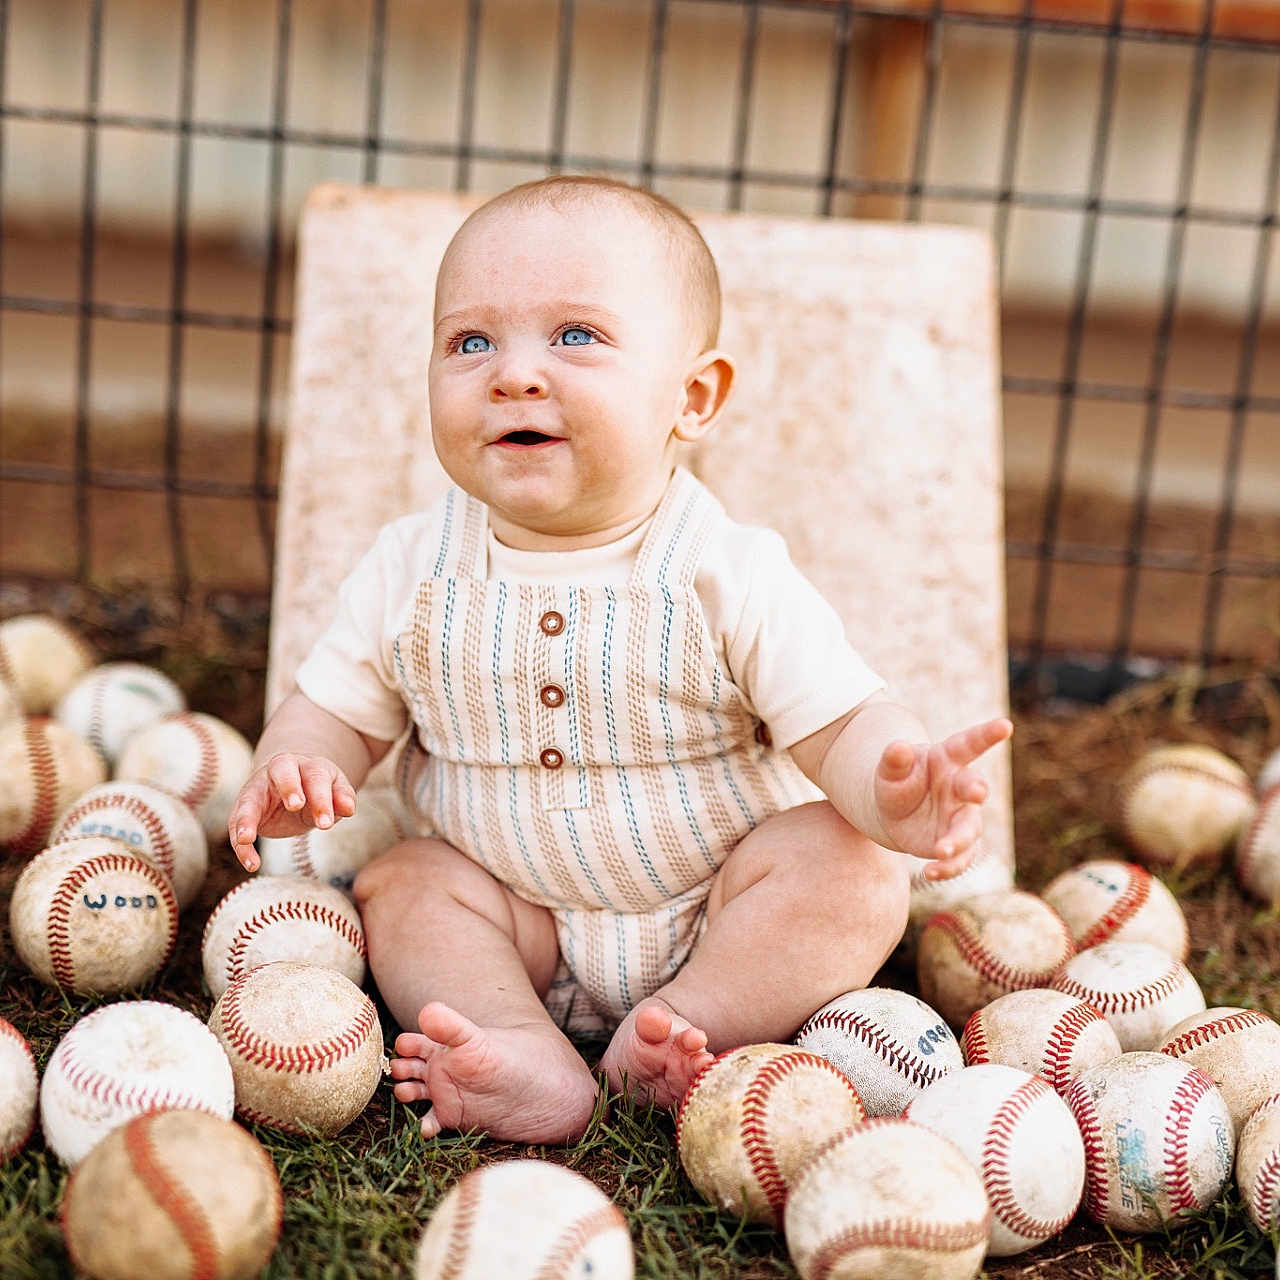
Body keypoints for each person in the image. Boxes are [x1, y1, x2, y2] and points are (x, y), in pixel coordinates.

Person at [227, 174, 1012, 1146]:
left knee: (851, 875)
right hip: (507, 914)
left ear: (691, 396)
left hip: (718, 905)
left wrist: (892, 786)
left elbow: (841, 720)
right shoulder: (409, 567)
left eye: (575, 337)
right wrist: (299, 759)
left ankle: (687, 1022)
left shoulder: (727, 569)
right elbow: (333, 705)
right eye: (470, 342)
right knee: (403, 883)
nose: (512, 374)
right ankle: (520, 1046)